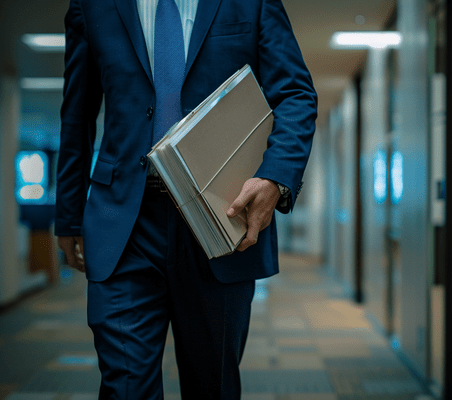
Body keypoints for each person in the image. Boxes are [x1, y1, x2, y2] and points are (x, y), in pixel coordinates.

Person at [55, 0, 317, 398]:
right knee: (124, 388)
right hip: (124, 226)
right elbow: (77, 114)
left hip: (221, 216)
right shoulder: (92, 6)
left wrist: (274, 176)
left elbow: (295, 94)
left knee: (213, 385)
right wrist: (69, 217)